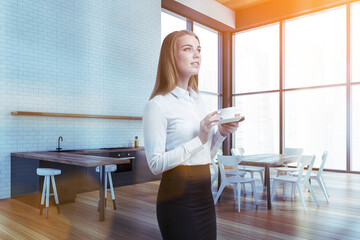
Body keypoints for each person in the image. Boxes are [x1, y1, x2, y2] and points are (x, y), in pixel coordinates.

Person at [143, 30, 243, 240]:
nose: (197, 55)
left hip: (205, 195)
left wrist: (221, 134)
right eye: (188, 49)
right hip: (177, 199)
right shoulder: (157, 105)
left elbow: (206, 154)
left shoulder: (198, 100)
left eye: (198, 50)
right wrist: (199, 139)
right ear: (171, 56)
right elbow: (154, 165)